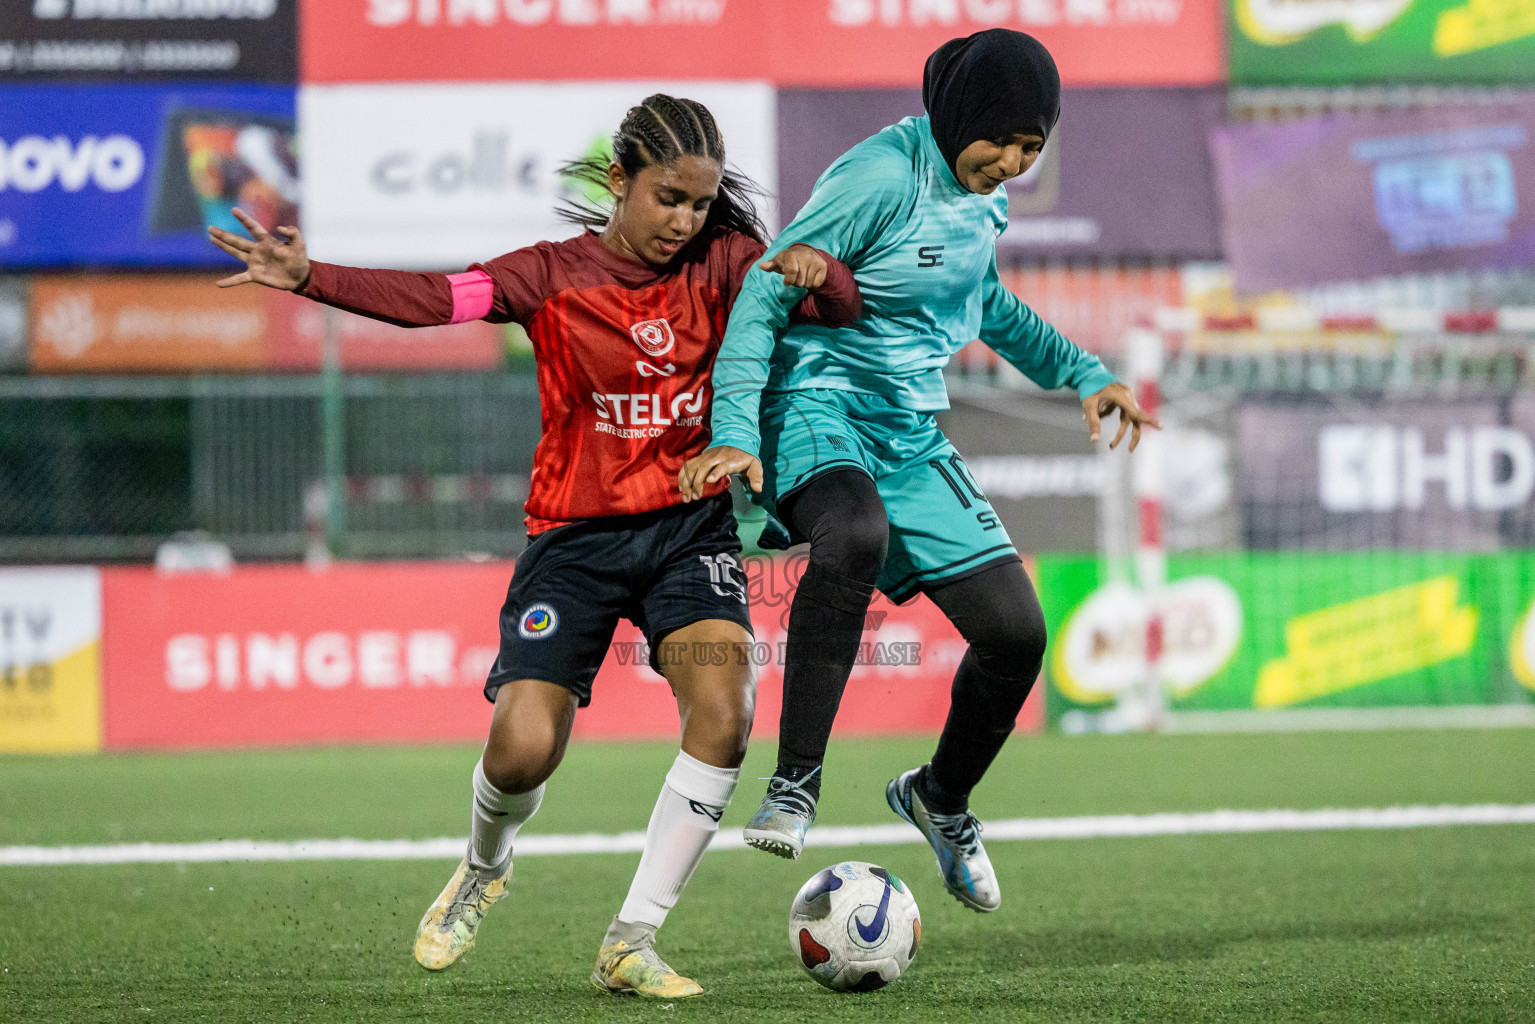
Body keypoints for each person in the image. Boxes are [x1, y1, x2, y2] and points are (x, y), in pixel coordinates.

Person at [208, 94, 861, 997]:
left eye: (701, 203)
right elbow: (437, 300)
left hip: (689, 533)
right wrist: (311, 274)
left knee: (725, 709)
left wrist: (817, 270)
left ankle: (631, 939)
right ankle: (483, 867)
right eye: (668, 197)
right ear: (620, 179)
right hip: (575, 541)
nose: (684, 220)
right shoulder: (547, 276)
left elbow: (841, 306)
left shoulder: (730, 262)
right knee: (520, 750)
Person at [678, 32, 1158, 912]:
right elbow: (765, 295)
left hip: (904, 427)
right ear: (960, 116)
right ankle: (795, 782)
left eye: (1031, 148)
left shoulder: (983, 202)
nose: (1011, 162)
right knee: (853, 532)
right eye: (1002, 141)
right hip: (814, 405)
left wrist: (1084, 374)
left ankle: (938, 799)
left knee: (1016, 637)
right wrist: (737, 431)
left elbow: (985, 305)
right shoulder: (876, 179)